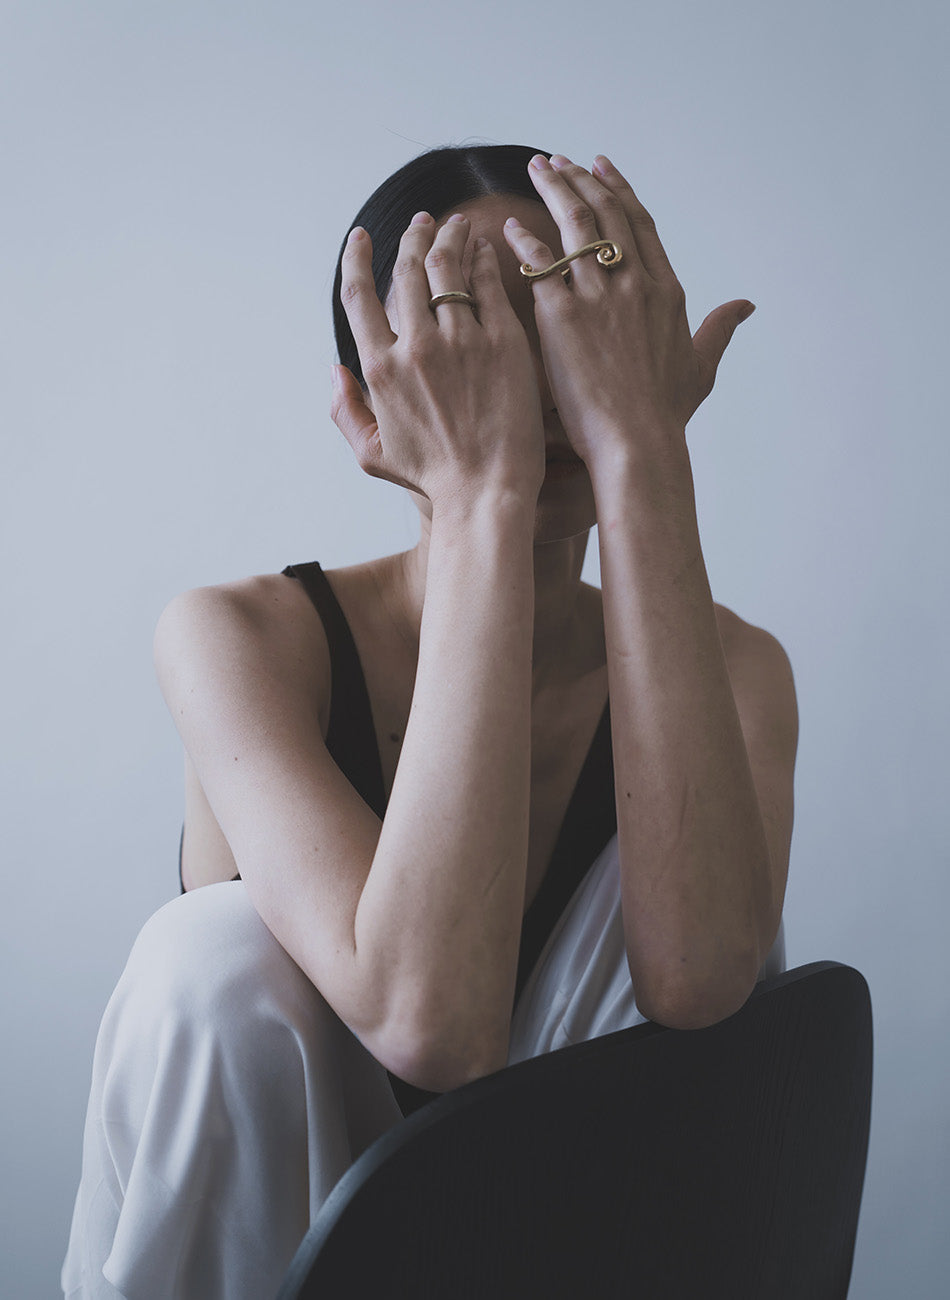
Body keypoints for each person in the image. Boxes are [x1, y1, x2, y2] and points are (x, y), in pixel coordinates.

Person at [62, 143, 798, 1298]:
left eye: (570, 315)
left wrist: (642, 448)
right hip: (278, 1240)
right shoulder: (240, 637)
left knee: (685, 868)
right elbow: (432, 1025)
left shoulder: (741, 666)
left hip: (568, 1233)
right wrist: (481, 495)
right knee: (211, 958)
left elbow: (704, 991)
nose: (537, 382)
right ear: (371, 398)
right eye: (474, 328)